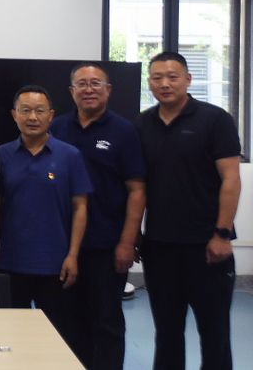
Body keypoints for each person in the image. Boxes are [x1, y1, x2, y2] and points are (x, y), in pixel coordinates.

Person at [138, 51, 240, 370]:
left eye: (173, 77)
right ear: (149, 83)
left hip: (208, 247)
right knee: (166, 333)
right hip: (159, 247)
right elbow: (137, 187)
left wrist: (222, 234)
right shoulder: (142, 123)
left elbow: (231, 179)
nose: (165, 84)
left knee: (214, 333)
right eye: (157, 78)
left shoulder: (215, 119)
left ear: (188, 79)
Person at [50, 62, 145, 370]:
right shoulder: (57, 128)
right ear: (71, 91)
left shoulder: (124, 131)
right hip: (62, 245)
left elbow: (137, 190)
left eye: (95, 84)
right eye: (82, 84)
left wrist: (127, 242)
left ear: (108, 90)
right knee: (67, 319)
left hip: (107, 243)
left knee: (106, 321)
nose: (88, 89)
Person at [0, 85, 90, 349]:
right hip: (12, 262)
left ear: (51, 115)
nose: (32, 117)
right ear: (14, 115)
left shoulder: (70, 155)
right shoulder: (1, 155)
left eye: (39, 111)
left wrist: (73, 256)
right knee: (11, 337)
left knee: (58, 339)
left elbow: (80, 207)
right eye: (25, 111)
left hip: (55, 265)